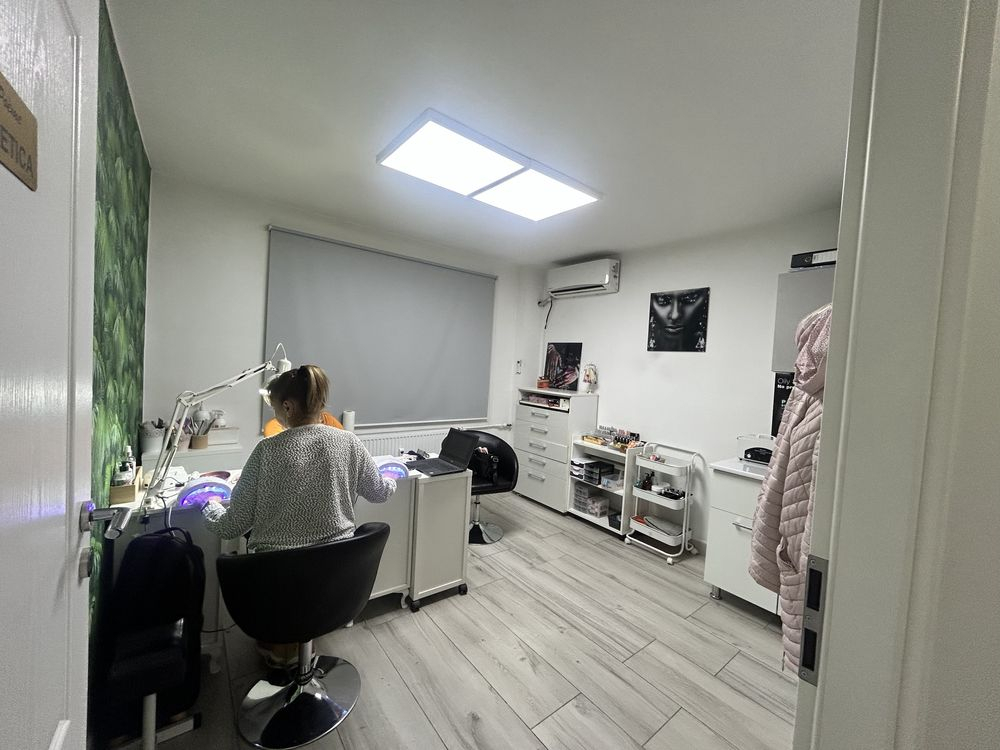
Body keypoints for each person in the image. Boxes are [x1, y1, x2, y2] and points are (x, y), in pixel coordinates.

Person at [202, 364, 396, 552]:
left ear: (287, 407)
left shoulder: (266, 450)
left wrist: (209, 504)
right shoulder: (349, 442)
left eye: (275, 408)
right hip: (337, 565)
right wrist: (390, 479)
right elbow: (379, 493)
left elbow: (230, 527)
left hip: (278, 568)